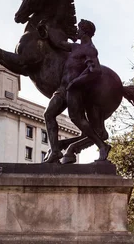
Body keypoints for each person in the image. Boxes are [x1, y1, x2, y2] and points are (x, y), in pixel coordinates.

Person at [39, 19, 106, 162]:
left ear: (85, 32)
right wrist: (47, 30)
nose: (77, 31)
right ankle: (55, 152)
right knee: (48, 114)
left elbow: (96, 71)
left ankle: (102, 145)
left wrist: (76, 82)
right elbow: (60, 44)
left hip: (74, 90)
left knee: (78, 119)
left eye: (79, 29)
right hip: (62, 88)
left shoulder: (90, 49)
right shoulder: (75, 47)